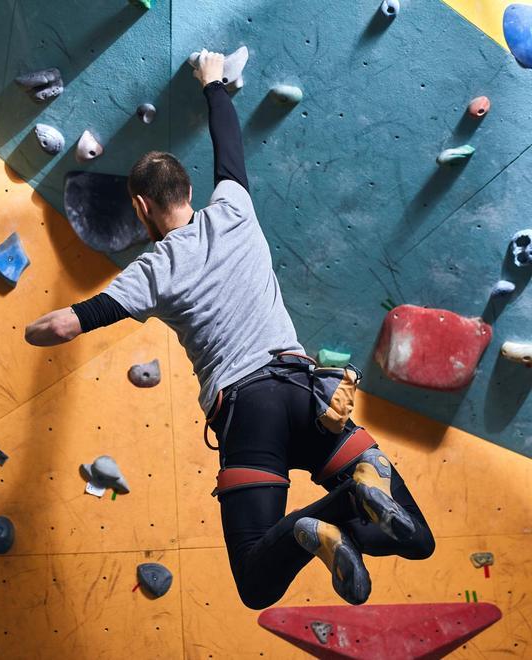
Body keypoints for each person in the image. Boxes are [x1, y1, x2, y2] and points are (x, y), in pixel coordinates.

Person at [24, 49, 434, 609]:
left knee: (256, 582)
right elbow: (228, 145)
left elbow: (66, 326)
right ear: (190, 193)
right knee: (417, 539)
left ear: (142, 207)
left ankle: (323, 521)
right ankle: (351, 496)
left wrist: (32, 329)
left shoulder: (150, 272)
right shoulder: (234, 207)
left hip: (250, 418)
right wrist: (213, 82)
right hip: (308, 392)